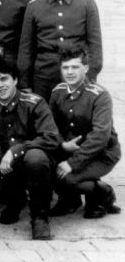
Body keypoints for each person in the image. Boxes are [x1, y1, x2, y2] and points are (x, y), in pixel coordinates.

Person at [0, 56, 61, 240]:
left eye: (4, 79)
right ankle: (15, 201)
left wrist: (16, 150)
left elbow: (51, 137)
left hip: (35, 165)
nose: (0, 85)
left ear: (15, 79)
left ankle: (39, 216)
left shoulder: (35, 103)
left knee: (35, 157)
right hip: (4, 168)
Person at [49, 46, 121, 219]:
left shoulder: (99, 95)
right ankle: (71, 201)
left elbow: (100, 137)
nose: (70, 72)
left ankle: (102, 193)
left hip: (101, 154)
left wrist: (71, 163)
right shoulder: (58, 92)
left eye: (75, 67)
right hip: (69, 150)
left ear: (86, 68)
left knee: (66, 177)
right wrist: (62, 145)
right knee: (45, 170)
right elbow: (50, 127)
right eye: (65, 67)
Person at [17, 0, 103, 102]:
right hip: (43, 78)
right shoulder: (34, 5)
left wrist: (89, 77)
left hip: (77, 76)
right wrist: (25, 83)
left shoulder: (86, 3)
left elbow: (95, 45)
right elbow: (26, 48)